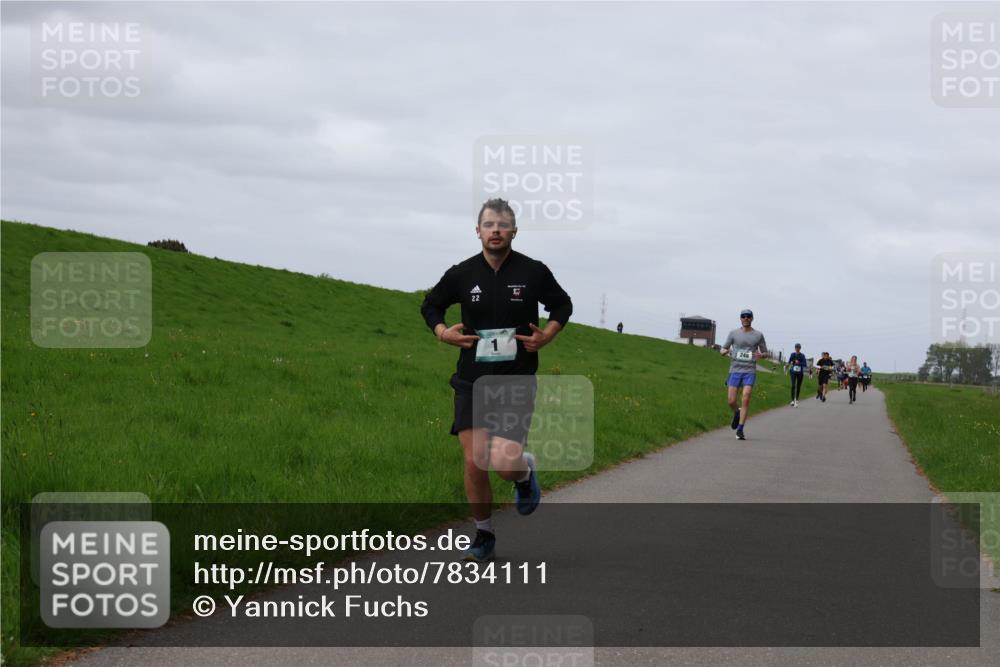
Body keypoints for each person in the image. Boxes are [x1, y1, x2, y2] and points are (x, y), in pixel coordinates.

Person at [420, 198, 572, 562]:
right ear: (478, 231)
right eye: (489, 225)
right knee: (474, 460)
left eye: (503, 225)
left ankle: (523, 473)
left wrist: (547, 336)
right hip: (472, 379)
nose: (496, 231)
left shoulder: (533, 272)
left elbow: (562, 305)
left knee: (503, 463)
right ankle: (484, 533)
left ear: (514, 232)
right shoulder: (462, 273)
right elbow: (430, 304)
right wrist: (443, 333)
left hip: (516, 379)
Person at [720, 309, 768, 440]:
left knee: (746, 398)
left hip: (749, 370)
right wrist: (725, 352)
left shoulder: (758, 335)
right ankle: (737, 412)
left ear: (752, 319)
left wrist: (761, 355)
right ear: (740, 318)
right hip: (735, 370)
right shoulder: (733, 333)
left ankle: (740, 429)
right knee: (731, 401)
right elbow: (723, 349)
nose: (746, 318)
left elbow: (765, 352)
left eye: (748, 316)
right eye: (743, 316)